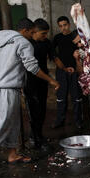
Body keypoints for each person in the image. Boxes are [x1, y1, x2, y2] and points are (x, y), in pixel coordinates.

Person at [0, 18, 60, 168]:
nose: (33, 35)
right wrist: (51, 81)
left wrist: (8, 64)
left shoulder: (0, 41)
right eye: (32, 32)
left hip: (2, 86)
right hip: (8, 86)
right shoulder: (24, 43)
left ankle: (12, 154)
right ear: (25, 31)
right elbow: (32, 67)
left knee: (13, 121)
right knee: (6, 120)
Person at [23, 18, 54, 150]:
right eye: (42, 33)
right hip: (29, 82)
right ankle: (34, 138)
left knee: (41, 110)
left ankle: (38, 135)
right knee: (33, 111)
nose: (45, 36)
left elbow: (53, 57)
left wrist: (64, 69)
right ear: (34, 31)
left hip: (42, 80)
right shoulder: (26, 44)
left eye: (46, 34)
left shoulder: (46, 42)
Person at [52, 16, 83, 130]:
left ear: (69, 24)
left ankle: (78, 121)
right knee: (61, 98)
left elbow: (83, 49)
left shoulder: (75, 36)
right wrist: (61, 66)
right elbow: (52, 53)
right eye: (60, 26)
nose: (63, 28)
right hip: (61, 71)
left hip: (75, 71)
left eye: (65, 25)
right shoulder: (57, 38)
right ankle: (60, 120)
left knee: (77, 98)